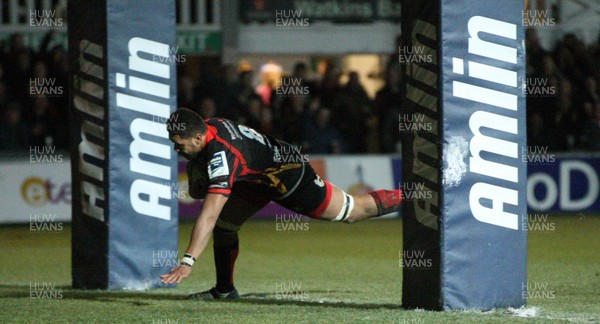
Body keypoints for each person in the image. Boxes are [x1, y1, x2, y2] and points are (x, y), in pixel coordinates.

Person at [160, 108, 402, 299]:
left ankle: (413, 194)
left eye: (179, 144)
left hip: (288, 174)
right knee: (226, 227)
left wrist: (187, 261)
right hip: (258, 177)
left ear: (198, 137)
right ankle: (225, 291)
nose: (176, 149)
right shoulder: (209, 126)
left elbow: (209, 213)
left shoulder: (222, 157)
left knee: (352, 210)